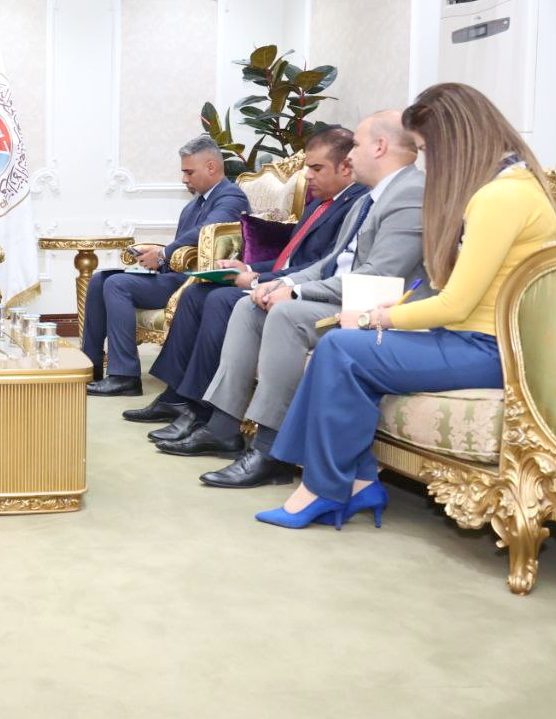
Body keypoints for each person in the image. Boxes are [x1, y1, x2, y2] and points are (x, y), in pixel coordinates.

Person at [256, 83, 556, 529]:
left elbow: (454, 304)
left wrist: (373, 317)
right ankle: (359, 481)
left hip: (487, 349)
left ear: (455, 139)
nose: (426, 162)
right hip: (477, 341)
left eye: (426, 149)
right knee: (345, 349)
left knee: (340, 347)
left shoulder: (500, 197)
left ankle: (323, 489)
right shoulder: (509, 187)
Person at [158, 111, 430, 485]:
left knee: (285, 315)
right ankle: (223, 426)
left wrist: (295, 291)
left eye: (356, 145)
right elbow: (328, 265)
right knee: (248, 306)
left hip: (380, 310)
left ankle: (271, 450)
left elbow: (378, 277)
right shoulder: (371, 198)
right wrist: (276, 284)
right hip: (344, 297)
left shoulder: (410, 193)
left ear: (380, 147)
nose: (350, 155)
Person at [136, 127, 367, 457]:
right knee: (198, 293)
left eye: (316, 168)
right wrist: (247, 267)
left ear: (346, 167)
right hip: (281, 278)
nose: (307, 176)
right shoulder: (320, 202)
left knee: (219, 300)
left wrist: (259, 278)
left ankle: (201, 411)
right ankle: (177, 396)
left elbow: (320, 266)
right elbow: (291, 255)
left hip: (301, 290)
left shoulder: (355, 204)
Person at [82, 135, 249, 396]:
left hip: (194, 281)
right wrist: (155, 255)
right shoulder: (195, 204)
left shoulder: (231, 197)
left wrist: (162, 254)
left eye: (189, 172)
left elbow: (206, 231)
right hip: (172, 274)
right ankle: (89, 367)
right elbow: (184, 244)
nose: (184, 179)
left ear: (211, 167)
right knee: (100, 279)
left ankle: (124, 376)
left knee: (117, 285)